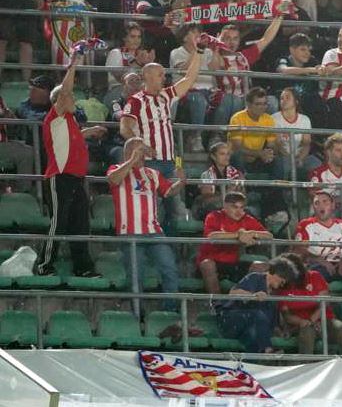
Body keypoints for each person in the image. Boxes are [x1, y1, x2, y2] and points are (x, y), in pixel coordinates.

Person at [35, 53, 97, 277]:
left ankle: (83, 268)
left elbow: (70, 140)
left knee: (80, 225)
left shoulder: (69, 121)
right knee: (58, 223)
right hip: (60, 177)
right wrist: (75, 64)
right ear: (59, 100)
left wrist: (87, 133)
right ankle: (44, 265)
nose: (74, 101)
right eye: (70, 98)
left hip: (76, 179)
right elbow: (66, 90)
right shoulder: (55, 115)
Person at [107, 137, 185, 309]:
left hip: (154, 231)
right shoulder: (116, 169)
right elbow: (113, 180)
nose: (142, 154)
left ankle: (170, 312)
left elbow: (168, 192)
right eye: (138, 150)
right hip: (130, 232)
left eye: (143, 150)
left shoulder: (153, 173)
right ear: (127, 152)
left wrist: (180, 182)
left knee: (169, 269)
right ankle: (137, 315)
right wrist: (131, 161)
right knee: (135, 277)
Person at [121, 52, 202, 182]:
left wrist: (199, 52)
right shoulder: (136, 101)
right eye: (160, 75)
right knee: (153, 201)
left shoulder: (166, 95)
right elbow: (125, 129)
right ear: (148, 76)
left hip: (170, 163)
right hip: (149, 162)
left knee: (176, 201)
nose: (164, 78)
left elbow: (189, 79)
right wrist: (142, 147)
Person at [276, 252, 342, 355]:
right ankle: (306, 366)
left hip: (324, 319)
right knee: (307, 332)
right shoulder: (282, 285)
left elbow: (325, 301)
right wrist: (304, 322)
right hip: (300, 324)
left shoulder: (314, 276)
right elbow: (287, 315)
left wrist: (312, 320)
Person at [216, 255, 299, 353]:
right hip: (232, 321)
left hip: (249, 330)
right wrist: (253, 295)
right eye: (284, 278)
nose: (284, 282)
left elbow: (271, 324)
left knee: (252, 338)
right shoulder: (255, 277)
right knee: (257, 314)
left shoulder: (273, 296)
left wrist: (281, 333)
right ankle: (268, 350)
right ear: (276, 273)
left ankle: (259, 361)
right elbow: (233, 293)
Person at [196, 192, 272, 295]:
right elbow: (212, 235)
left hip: (233, 263)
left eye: (242, 208)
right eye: (235, 207)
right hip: (212, 261)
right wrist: (238, 235)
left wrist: (251, 233)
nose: (239, 211)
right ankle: (216, 305)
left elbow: (268, 235)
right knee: (207, 264)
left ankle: (241, 300)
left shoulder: (246, 218)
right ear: (225, 206)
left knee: (261, 266)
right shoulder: (214, 216)